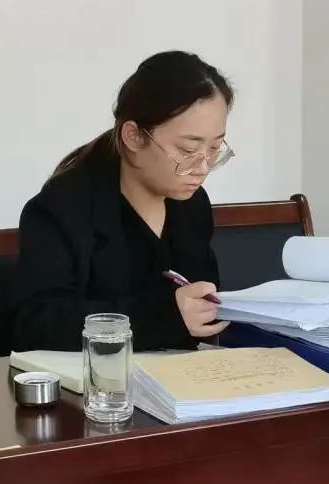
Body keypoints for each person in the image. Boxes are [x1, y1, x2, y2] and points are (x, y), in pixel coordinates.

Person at [12, 50, 234, 352]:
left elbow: (203, 300)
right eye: (187, 150)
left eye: (215, 148)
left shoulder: (191, 204)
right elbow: (38, 323)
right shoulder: (62, 208)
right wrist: (164, 316)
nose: (203, 167)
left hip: (181, 374)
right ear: (134, 137)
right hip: (97, 379)